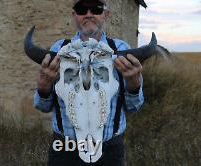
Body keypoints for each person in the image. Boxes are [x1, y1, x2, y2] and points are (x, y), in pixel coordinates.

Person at [33, 0, 144, 165]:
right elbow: (43, 107)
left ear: (106, 14)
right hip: (65, 150)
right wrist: (43, 87)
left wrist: (133, 84)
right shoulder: (58, 49)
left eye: (96, 9)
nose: (89, 14)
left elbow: (133, 107)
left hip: (110, 152)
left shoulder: (121, 48)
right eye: (81, 9)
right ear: (74, 15)